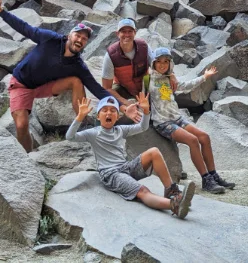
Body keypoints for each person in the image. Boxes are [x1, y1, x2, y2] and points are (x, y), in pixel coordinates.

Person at [0, 0, 137, 152]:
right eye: (78, 35)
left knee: (76, 81)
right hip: (22, 84)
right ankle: (28, 156)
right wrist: (1, 11)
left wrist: (122, 106)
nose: (79, 40)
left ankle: (82, 124)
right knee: (21, 125)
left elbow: (97, 89)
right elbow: (24, 28)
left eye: (84, 39)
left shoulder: (77, 64)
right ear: (70, 35)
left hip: (45, 86)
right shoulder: (50, 39)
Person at [67, 93, 196, 218]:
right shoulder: (93, 133)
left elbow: (143, 127)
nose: (108, 113)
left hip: (126, 167)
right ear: (98, 116)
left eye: (113, 111)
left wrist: (146, 111)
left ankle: (171, 191)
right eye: (104, 110)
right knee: (142, 191)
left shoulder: (120, 130)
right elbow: (70, 137)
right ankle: (175, 205)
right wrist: (79, 117)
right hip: (111, 174)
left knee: (154, 152)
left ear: (117, 116)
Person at [148, 47, 235, 194]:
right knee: (193, 140)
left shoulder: (169, 78)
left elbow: (186, 86)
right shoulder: (148, 79)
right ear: (154, 63)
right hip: (163, 122)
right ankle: (206, 179)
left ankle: (213, 175)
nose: (162, 65)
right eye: (159, 62)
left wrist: (205, 77)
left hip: (177, 117)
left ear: (170, 64)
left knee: (204, 137)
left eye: (166, 61)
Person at [101, 18, 176, 106]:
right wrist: (125, 102)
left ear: (135, 32)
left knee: (163, 84)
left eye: (130, 31)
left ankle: (165, 109)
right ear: (117, 34)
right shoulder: (111, 55)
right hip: (123, 87)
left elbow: (158, 65)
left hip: (145, 83)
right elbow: (107, 87)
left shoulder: (143, 47)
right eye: (123, 31)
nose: (127, 34)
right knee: (107, 100)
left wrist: (171, 74)